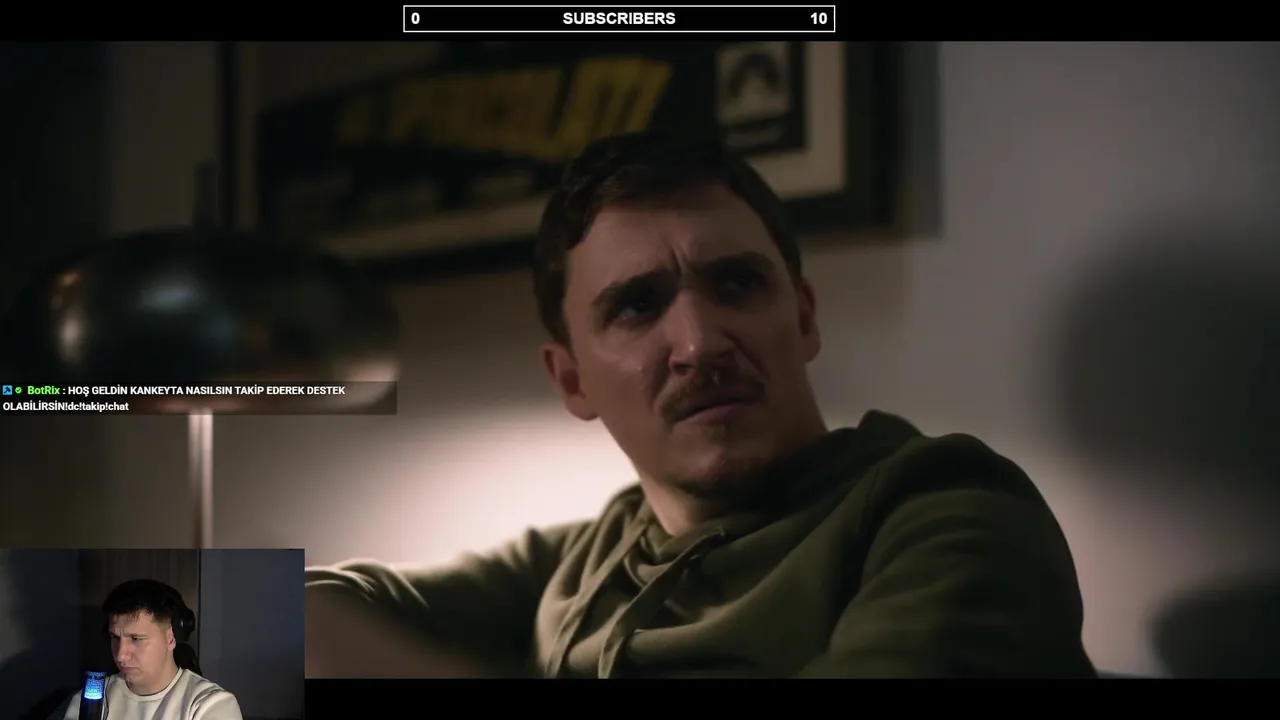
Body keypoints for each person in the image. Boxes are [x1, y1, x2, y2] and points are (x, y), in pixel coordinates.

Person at [305, 131, 1097, 678]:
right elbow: (300, 611)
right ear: (572, 382)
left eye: (737, 283)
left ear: (804, 319)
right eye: (637, 306)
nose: (700, 342)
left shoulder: (949, 515)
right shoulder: (590, 552)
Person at [58, 579, 242, 719]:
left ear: (170, 638)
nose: (121, 655)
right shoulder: (91, 699)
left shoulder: (211, 705)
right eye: (115, 637)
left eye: (136, 639)